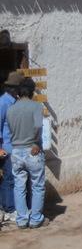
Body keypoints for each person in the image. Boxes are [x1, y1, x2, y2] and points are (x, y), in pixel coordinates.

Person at [6, 77, 46, 229]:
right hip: (32, 150)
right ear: (32, 92)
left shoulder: (11, 109)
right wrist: (35, 142)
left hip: (16, 150)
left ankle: (22, 220)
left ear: (18, 92)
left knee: (19, 186)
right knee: (37, 186)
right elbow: (37, 126)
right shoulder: (36, 107)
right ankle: (35, 219)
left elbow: (11, 129)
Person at [0, 71, 23, 224]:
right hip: (6, 148)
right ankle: (8, 209)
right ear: (14, 89)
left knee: (13, 178)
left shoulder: (15, 102)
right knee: (8, 179)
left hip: (15, 147)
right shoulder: (3, 103)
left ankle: (9, 207)